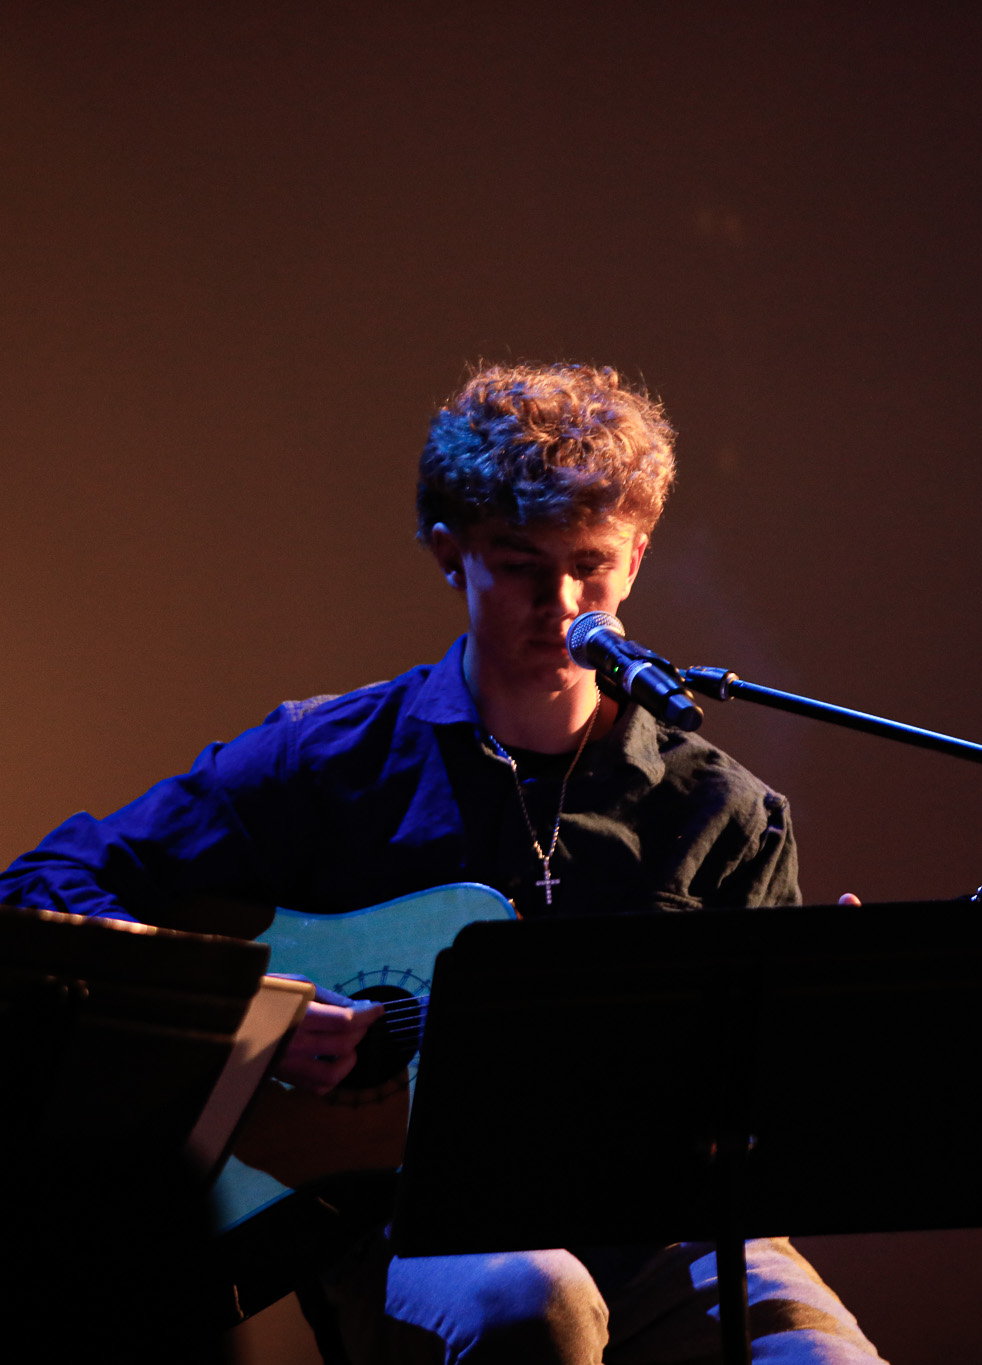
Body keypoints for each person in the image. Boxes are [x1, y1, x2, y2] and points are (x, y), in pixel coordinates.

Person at [0, 363, 884, 1363]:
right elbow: (41, 884)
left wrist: (821, 1023)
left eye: (591, 563)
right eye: (519, 564)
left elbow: (757, 1116)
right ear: (447, 553)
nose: (562, 601)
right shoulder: (327, 760)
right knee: (530, 1301)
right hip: (399, 1217)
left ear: (637, 556)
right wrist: (250, 1017)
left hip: (656, 1229)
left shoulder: (723, 810)